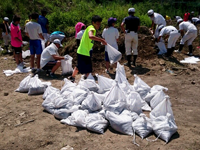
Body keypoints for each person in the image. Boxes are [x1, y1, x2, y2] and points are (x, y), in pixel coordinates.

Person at [68, 15, 107, 82]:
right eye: (97, 23)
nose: (98, 25)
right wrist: (101, 40)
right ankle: (87, 80)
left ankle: (73, 77)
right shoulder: (91, 28)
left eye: (99, 24)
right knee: (88, 68)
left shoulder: (91, 28)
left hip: (84, 51)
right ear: (93, 22)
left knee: (80, 66)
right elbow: (90, 36)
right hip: (83, 52)